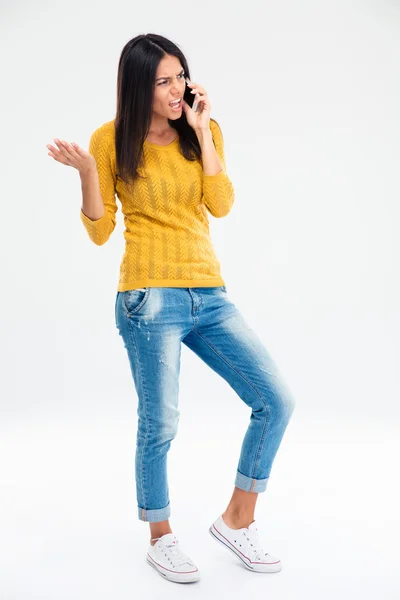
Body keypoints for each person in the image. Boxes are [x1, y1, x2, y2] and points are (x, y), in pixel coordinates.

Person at [46, 33, 296, 584]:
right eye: (164, 81)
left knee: (275, 399)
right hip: (147, 297)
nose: (178, 88)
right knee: (160, 422)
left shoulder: (202, 133)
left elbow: (221, 204)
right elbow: (100, 230)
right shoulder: (111, 139)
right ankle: (160, 537)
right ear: (140, 86)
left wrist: (204, 132)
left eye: (181, 75)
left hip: (209, 293)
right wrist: (88, 171)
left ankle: (238, 518)